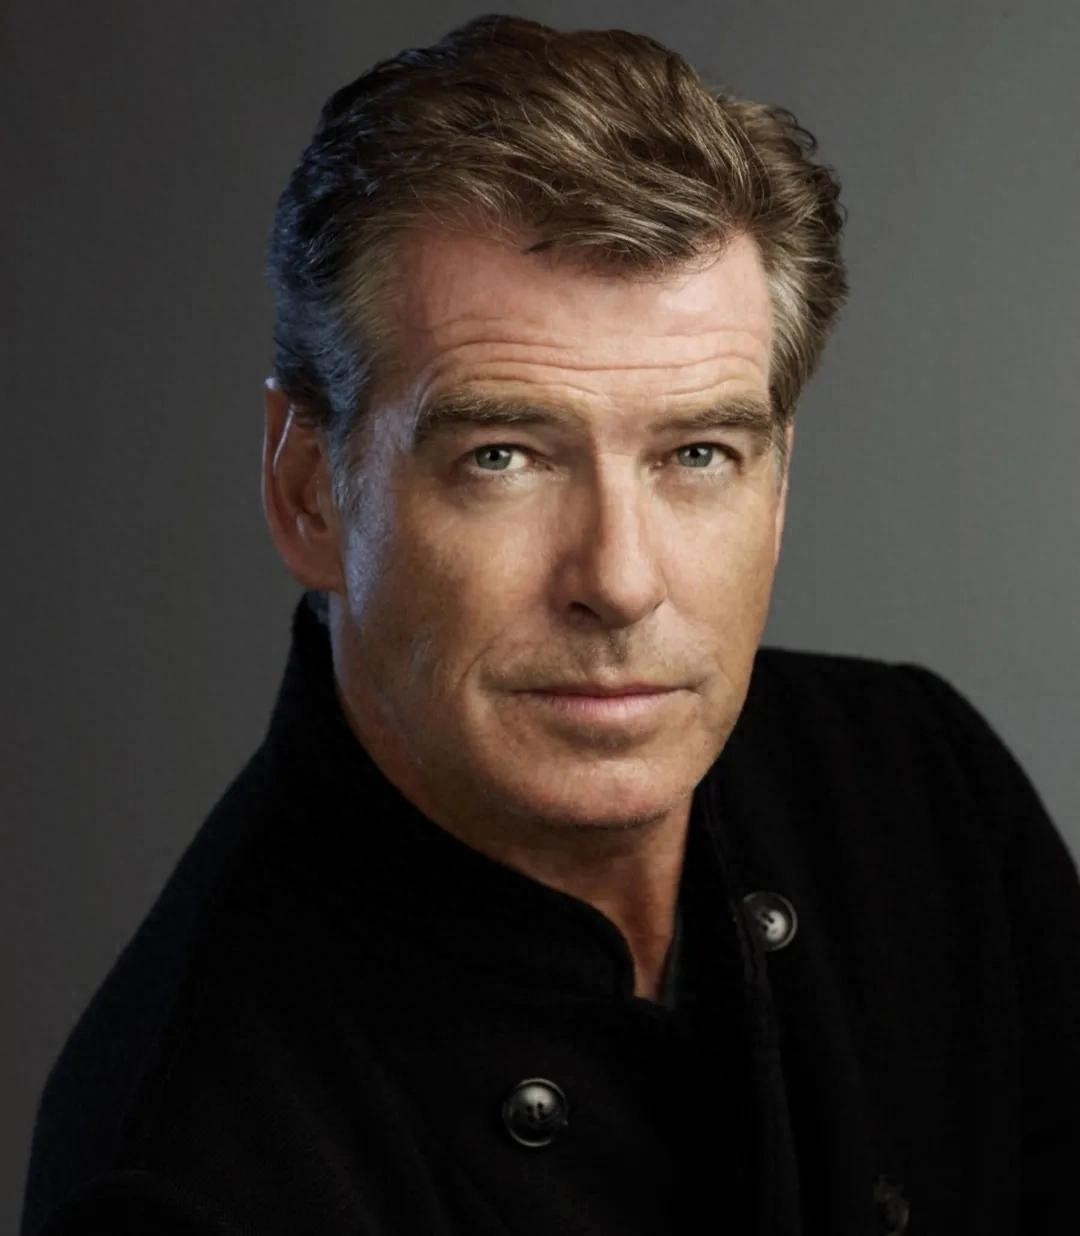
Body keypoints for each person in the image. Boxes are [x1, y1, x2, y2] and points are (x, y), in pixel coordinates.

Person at [21, 14, 1080, 1236]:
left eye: (697, 453)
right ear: (310, 491)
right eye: (504, 455)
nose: (618, 582)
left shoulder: (918, 791)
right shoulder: (185, 1174)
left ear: (779, 481)